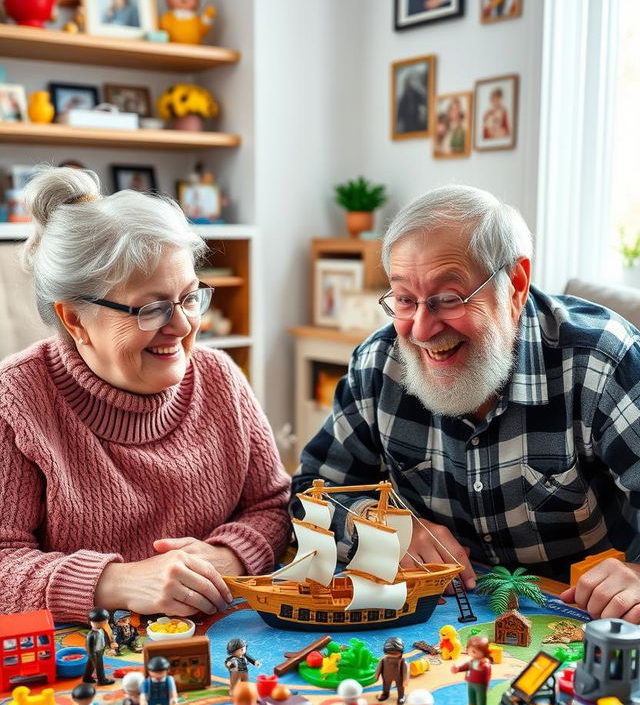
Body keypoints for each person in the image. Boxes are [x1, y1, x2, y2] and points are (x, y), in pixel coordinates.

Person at [292, 184, 640, 623]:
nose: (420, 329)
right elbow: (312, 491)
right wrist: (381, 532)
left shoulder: (602, 362)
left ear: (514, 285)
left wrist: (637, 573)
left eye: (448, 299)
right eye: (404, 299)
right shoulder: (378, 365)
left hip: (575, 615)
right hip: (438, 618)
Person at [0, 166, 290, 621]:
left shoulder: (220, 378)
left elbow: (272, 506)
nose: (183, 326)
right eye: (152, 308)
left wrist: (224, 559)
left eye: (191, 297)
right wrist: (119, 582)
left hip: (226, 639)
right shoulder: (15, 400)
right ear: (76, 319)